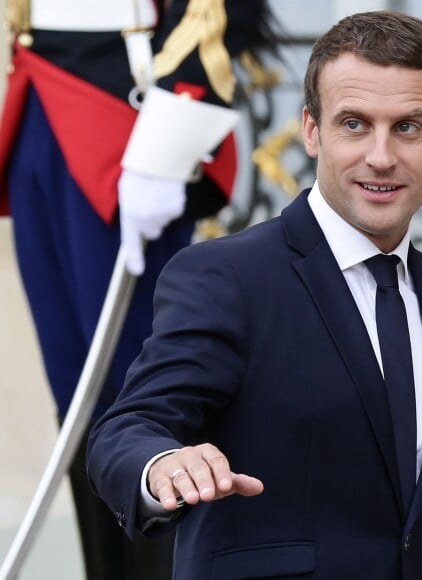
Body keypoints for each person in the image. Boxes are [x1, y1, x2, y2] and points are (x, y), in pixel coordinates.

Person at [87, 10, 422, 579]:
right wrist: (162, 464)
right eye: (353, 124)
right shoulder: (226, 277)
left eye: (408, 127)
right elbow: (127, 427)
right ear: (311, 130)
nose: (381, 156)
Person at [0, 1, 277, 578]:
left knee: (142, 392)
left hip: (121, 115)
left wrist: (171, 134)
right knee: (76, 393)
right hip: (37, 93)